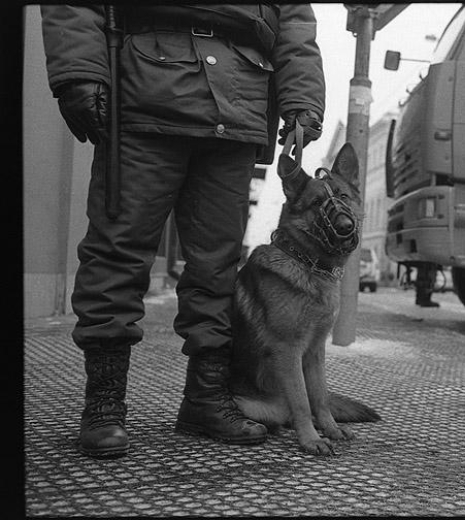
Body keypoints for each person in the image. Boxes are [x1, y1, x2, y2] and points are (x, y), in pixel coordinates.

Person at [40, 4, 325, 458]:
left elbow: (293, 21)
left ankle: (205, 400)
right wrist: (78, 71)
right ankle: (104, 406)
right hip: (143, 96)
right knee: (117, 252)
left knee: (219, 265)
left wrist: (303, 99)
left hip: (236, 106)